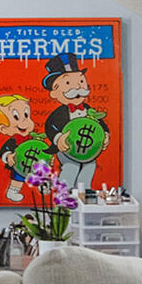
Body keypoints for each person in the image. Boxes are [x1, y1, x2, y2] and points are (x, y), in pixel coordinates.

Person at [40, 51, 108, 193]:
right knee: (72, 167)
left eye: (81, 81)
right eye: (68, 83)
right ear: (54, 92)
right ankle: (65, 190)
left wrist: (105, 135)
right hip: (67, 150)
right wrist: (58, 139)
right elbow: (50, 127)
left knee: (89, 167)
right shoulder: (58, 115)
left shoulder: (90, 111)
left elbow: (101, 124)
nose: (77, 87)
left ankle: (84, 190)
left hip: (89, 151)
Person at [0, 93, 47, 201]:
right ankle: (13, 191)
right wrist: (8, 156)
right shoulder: (13, 141)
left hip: (33, 163)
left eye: (26, 115)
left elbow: (42, 151)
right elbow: (4, 151)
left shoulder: (33, 139)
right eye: (16, 117)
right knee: (18, 178)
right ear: (3, 129)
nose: (24, 121)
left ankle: (42, 185)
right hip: (19, 165)